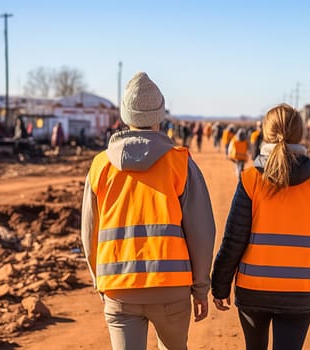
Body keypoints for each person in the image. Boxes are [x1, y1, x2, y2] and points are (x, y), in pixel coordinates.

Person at [81, 72, 216, 350]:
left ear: (124, 114)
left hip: (118, 289)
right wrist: (201, 288)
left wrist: (100, 281)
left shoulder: (100, 166)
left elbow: (89, 234)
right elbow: (202, 232)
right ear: (160, 115)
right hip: (171, 288)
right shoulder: (180, 163)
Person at [211, 104, 310, 350]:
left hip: (254, 289)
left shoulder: (250, 180)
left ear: (265, 133)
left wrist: (220, 285)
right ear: (300, 135)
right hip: (300, 292)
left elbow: (234, 239)